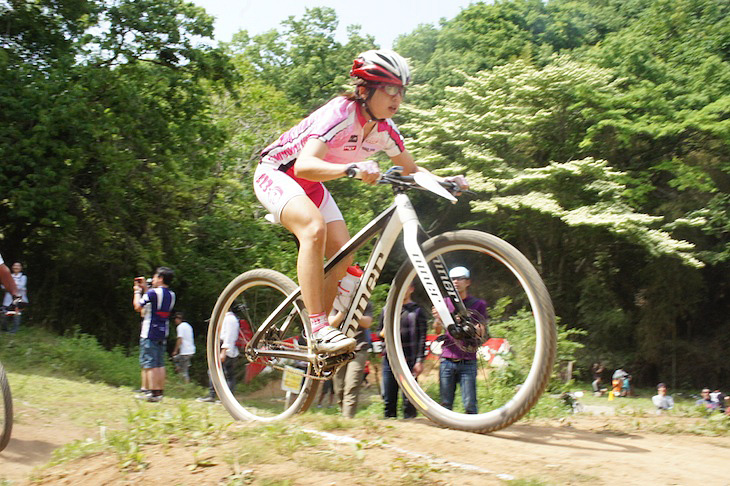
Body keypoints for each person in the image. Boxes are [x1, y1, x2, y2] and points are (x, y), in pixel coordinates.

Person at [252, 49, 468, 358]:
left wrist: (447, 181)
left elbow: (414, 170)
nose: (397, 98)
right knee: (314, 230)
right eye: (390, 89)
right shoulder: (340, 113)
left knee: (344, 252)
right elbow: (303, 166)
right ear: (365, 90)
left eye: (401, 90)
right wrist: (351, 169)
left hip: (312, 186)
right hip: (277, 173)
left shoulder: (386, 130)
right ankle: (318, 327)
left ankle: (317, 336)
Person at [433, 266, 487, 414]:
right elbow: (437, 330)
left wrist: (469, 326)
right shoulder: (443, 302)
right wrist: (438, 318)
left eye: (460, 278)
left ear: (468, 282)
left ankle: (473, 431)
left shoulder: (478, 304)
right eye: (452, 279)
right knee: (445, 403)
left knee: (470, 403)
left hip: (468, 359)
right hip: (447, 359)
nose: (456, 282)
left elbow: (481, 332)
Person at [379, 283, 428, 419]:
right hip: (390, 360)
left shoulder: (417, 311)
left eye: (405, 287)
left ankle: (412, 428)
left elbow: (422, 337)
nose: (402, 290)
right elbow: (380, 333)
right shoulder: (387, 310)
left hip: (410, 360)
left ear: (411, 289)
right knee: (389, 398)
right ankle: (390, 426)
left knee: (410, 399)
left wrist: (419, 361)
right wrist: (382, 332)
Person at [132, 267, 176, 402]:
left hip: (149, 331)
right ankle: (159, 392)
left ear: (161, 278)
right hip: (163, 331)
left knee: (150, 363)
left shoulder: (153, 293)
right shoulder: (171, 295)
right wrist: (146, 289)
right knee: (160, 363)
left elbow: (138, 306)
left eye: (155, 277)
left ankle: (151, 392)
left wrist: (137, 291)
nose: (154, 279)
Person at [332, 302, 373, 418]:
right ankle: (343, 413)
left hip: (359, 348)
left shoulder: (364, 302)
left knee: (352, 384)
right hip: (339, 349)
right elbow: (331, 323)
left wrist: (354, 312)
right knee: (339, 388)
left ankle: (348, 418)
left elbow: (368, 322)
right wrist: (343, 312)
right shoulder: (336, 302)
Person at [198, 306, 239, 402]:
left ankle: (214, 396)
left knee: (215, 371)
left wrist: (223, 352)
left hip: (226, 349)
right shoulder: (229, 318)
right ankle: (226, 398)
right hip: (228, 349)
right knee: (227, 374)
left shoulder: (229, 319)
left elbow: (229, 336)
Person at [1, 261, 27, 333]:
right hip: (8, 299)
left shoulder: (23, 277)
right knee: (4, 314)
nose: (16, 267)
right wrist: (13, 286)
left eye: (18, 266)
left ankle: (14, 331)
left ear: (21, 268)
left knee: (16, 314)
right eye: (15, 266)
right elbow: (3, 286)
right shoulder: (9, 276)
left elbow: (21, 286)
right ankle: (4, 329)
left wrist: (10, 286)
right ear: (12, 267)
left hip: (18, 299)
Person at [171, 312, 195, 384]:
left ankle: (185, 385)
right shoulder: (188, 326)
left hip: (185, 351)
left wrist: (175, 351)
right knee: (177, 361)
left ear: (179, 319)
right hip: (191, 350)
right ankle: (183, 382)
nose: (175, 320)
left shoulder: (180, 327)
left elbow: (180, 339)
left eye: (176, 318)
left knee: (184, 371)